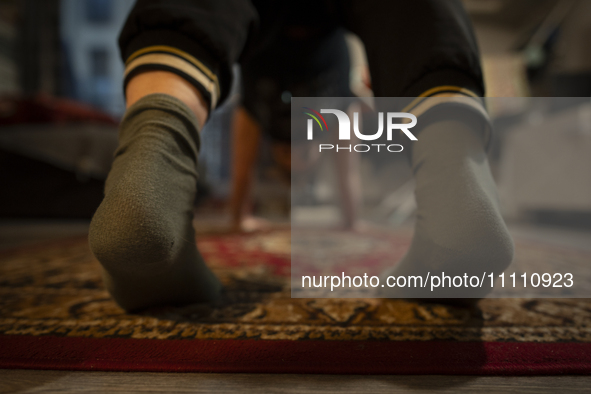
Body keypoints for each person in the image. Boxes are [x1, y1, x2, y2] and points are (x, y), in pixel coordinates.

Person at [89, 0, 514, 311]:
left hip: (271, 62)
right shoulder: (325, 117)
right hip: (321, 64)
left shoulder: (263, 112)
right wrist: (349, 221)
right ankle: (453, 174)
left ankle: (153, 151)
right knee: (410, 10)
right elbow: (340, 161)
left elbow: (245, 161)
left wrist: (239, 217)